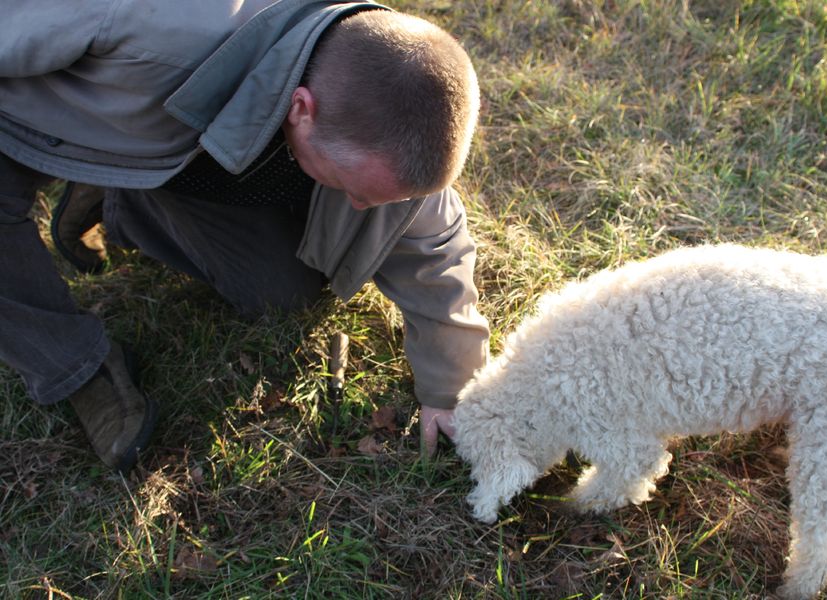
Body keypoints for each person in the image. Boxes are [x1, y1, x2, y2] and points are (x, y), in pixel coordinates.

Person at [0, 0, 489, 472]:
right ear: (302, 108)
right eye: (354, 189)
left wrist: (450, 392)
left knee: (279, 292)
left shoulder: (378, 91)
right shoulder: (136, 24)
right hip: (29, 118)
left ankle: (113, 189)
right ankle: (76, 366)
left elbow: (435, 251)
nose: (360, 206)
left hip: (176, 157)